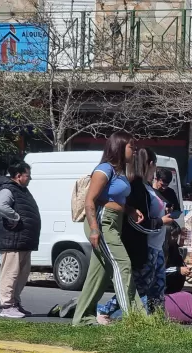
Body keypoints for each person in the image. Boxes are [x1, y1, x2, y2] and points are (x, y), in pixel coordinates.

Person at [72, 132, 144, 326]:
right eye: (132, 147)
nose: (135, 151)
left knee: (99, 274)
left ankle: (81, 318)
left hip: (114, 221)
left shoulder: (120, 171)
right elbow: (90, 201)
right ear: (119, 147)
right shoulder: (104, 169)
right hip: (101, 222)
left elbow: (115, 200)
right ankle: (134, 318)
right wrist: (95, 229)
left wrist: (129, 210)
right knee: (122, 265)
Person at [99, 147, 174, 319]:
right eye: (155, 166)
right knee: (140, 286)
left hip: (157, 246)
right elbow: (137, 221)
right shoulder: (137, 187)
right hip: (146, 246)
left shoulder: (148, 187)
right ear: (151, 164)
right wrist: (161, 222)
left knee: (158, 286)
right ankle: (105, 311)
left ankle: (157, 319)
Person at [0, 160, 41, 319]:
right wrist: (15, 217)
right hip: (12, 240)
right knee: (11, 273)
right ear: (18, 176)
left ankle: (15, 303)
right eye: (28, 175)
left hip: (23, 241)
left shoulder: (21, 190)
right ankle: (7, 306)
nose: (30, 178)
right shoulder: (8, 189)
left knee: (21, 274)